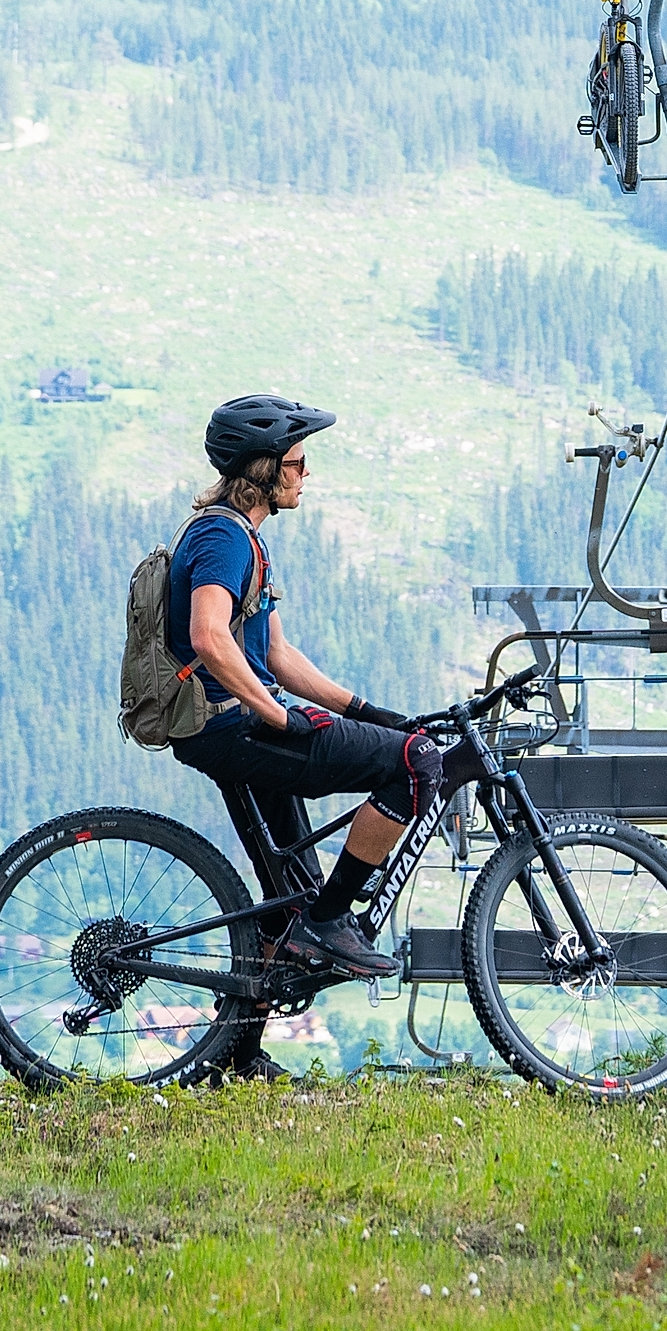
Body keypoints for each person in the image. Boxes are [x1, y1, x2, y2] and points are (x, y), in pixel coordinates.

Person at [164, 393, 446, 984]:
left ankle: (245, 1023)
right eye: (296, 462)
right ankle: (331, 920)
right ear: (263, 470)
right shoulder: (223, 539)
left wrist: (367, 711)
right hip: (231, 724)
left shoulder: (243, 536)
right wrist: (277, 716)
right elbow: (208, 636)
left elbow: (278, 656)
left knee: (289, 898)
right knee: (416, 763)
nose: (305, 473)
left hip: (230, 724)